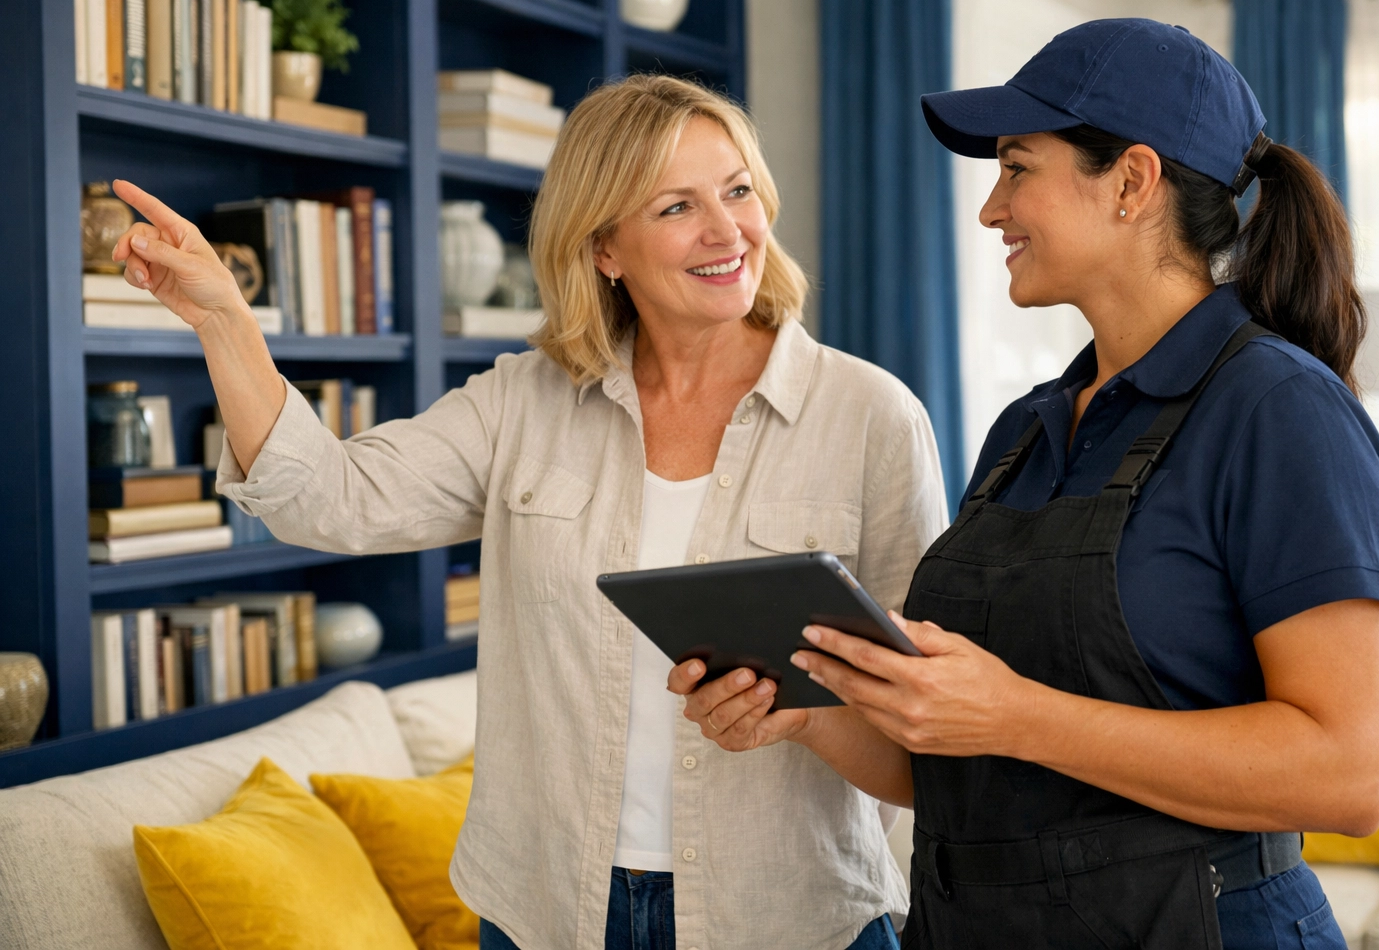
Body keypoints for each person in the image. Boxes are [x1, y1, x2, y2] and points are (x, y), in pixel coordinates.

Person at [107, 74, 948, 950]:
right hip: (546, 911)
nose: (726, 230)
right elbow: (330, 499)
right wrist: (224, 321)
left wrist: (806, 716)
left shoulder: (870, 417)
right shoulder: (526, 402)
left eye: (737, 190)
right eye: (675, 207)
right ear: (604, 249)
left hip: (791, 919)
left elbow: (926, 733)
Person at [672, 19, 1379, 950]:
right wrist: (803, 713)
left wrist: (1020, 714)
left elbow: (1350, 774)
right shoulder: (1027, 430)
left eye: (1019, 168)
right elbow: (957, 762)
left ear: (1133, 181)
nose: (990, 209)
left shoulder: (1279, 411)